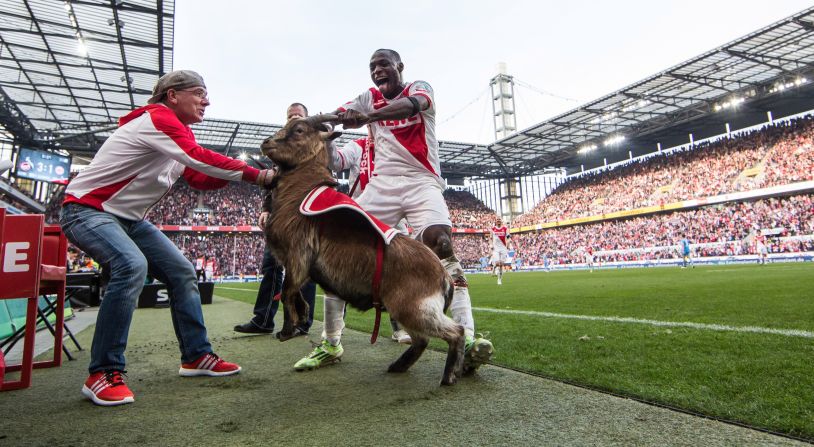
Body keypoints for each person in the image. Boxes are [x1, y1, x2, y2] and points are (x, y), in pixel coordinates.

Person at [59, 70, 275, 406]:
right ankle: (102, 373)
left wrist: (241, 177)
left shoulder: (176, 132)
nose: (207, 101)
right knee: (131, 265)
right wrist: (258, 175)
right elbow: (198, 158)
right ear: (172, 95)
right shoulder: (158, 118)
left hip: (127, 219)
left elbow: (199, 177)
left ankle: (195, 356)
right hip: (87, 209)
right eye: (200, 93)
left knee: (182, 272)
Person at [295, 49, 493, 373]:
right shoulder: (366, 98)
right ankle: (331, 342)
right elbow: (339, 116)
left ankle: (467, 339)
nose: (377, 70)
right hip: (382, 186)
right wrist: (318, 126)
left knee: (441, 244)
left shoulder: (419, 88)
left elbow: (413, 106)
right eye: (372, 66)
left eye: (383, 64)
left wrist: (369, 117)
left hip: (421, 181)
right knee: (336, 256)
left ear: (399, 66)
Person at [233, 103, 316, 337]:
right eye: (289, 116)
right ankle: (263, 319)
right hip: (279, 218)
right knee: (270, 266)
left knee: (304, 270)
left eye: (297, 115)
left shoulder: (315, 146)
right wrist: (266, 208)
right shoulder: (280, 148)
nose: (292, 119)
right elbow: (273, 183)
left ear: (306, 120)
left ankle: (301, 322)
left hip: (303, 217)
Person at [327, 135, 411, 344]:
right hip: (362, 215)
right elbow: (336, 162)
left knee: (398, 273)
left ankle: (400, 328)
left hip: (393, 216)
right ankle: (332, 335)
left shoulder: (397, 147)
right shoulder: (358, 146)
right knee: (342, 270)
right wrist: (329, 141)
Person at [490, 218, 510, 284]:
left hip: (503, 248)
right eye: (497, 220)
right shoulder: (492, 229)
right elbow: (490, 238)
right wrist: (491, 245)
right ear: (495, 221)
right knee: (498, 263)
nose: (498, 220)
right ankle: (495, 269)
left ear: (501, 221)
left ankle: (499, 279)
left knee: (501, 264)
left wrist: (508, 244)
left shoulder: (505, 228)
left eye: (499, 219)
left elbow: (508, 237)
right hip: (496, 249)